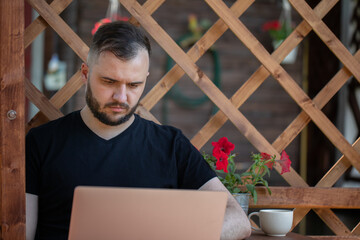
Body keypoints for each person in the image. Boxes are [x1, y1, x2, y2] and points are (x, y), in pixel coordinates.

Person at [26, 21, 251, 240]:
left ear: (145, 80)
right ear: (85, 74)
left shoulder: (171, 146)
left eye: (133, 85)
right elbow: (20, 232)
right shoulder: (41, 143)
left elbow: (238, 221)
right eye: (109, 81)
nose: (121, 97)